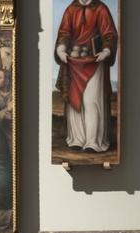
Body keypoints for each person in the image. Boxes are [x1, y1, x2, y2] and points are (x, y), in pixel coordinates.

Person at [54, 0, 118, 153]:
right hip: (74, 62)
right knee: (75, 100)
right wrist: (61, 50)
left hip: (95, 61)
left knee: (91, 100)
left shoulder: (101, 9)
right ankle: (77, 139)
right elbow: (64, 33)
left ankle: (93, 141)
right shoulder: (71, 9)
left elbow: (109, 35)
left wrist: (106, 51)